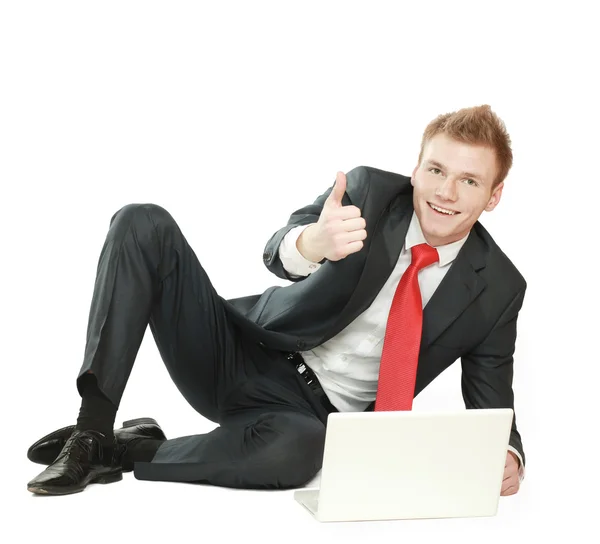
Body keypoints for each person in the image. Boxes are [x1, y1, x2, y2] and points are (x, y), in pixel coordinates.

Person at [26, 104, 526, 497]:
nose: (446, 191)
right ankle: (91, 432)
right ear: (416, 169)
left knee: (298, 453)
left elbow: (493, 396)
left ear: (494, 195)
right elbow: (277, 247)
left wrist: (508, 453)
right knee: (142, 222)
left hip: (307, 419)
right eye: (436, 170)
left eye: (469, 180)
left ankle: (126, 451)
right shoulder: (370, 191)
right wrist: (313, 244)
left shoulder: (500, 288)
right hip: (240, 350)